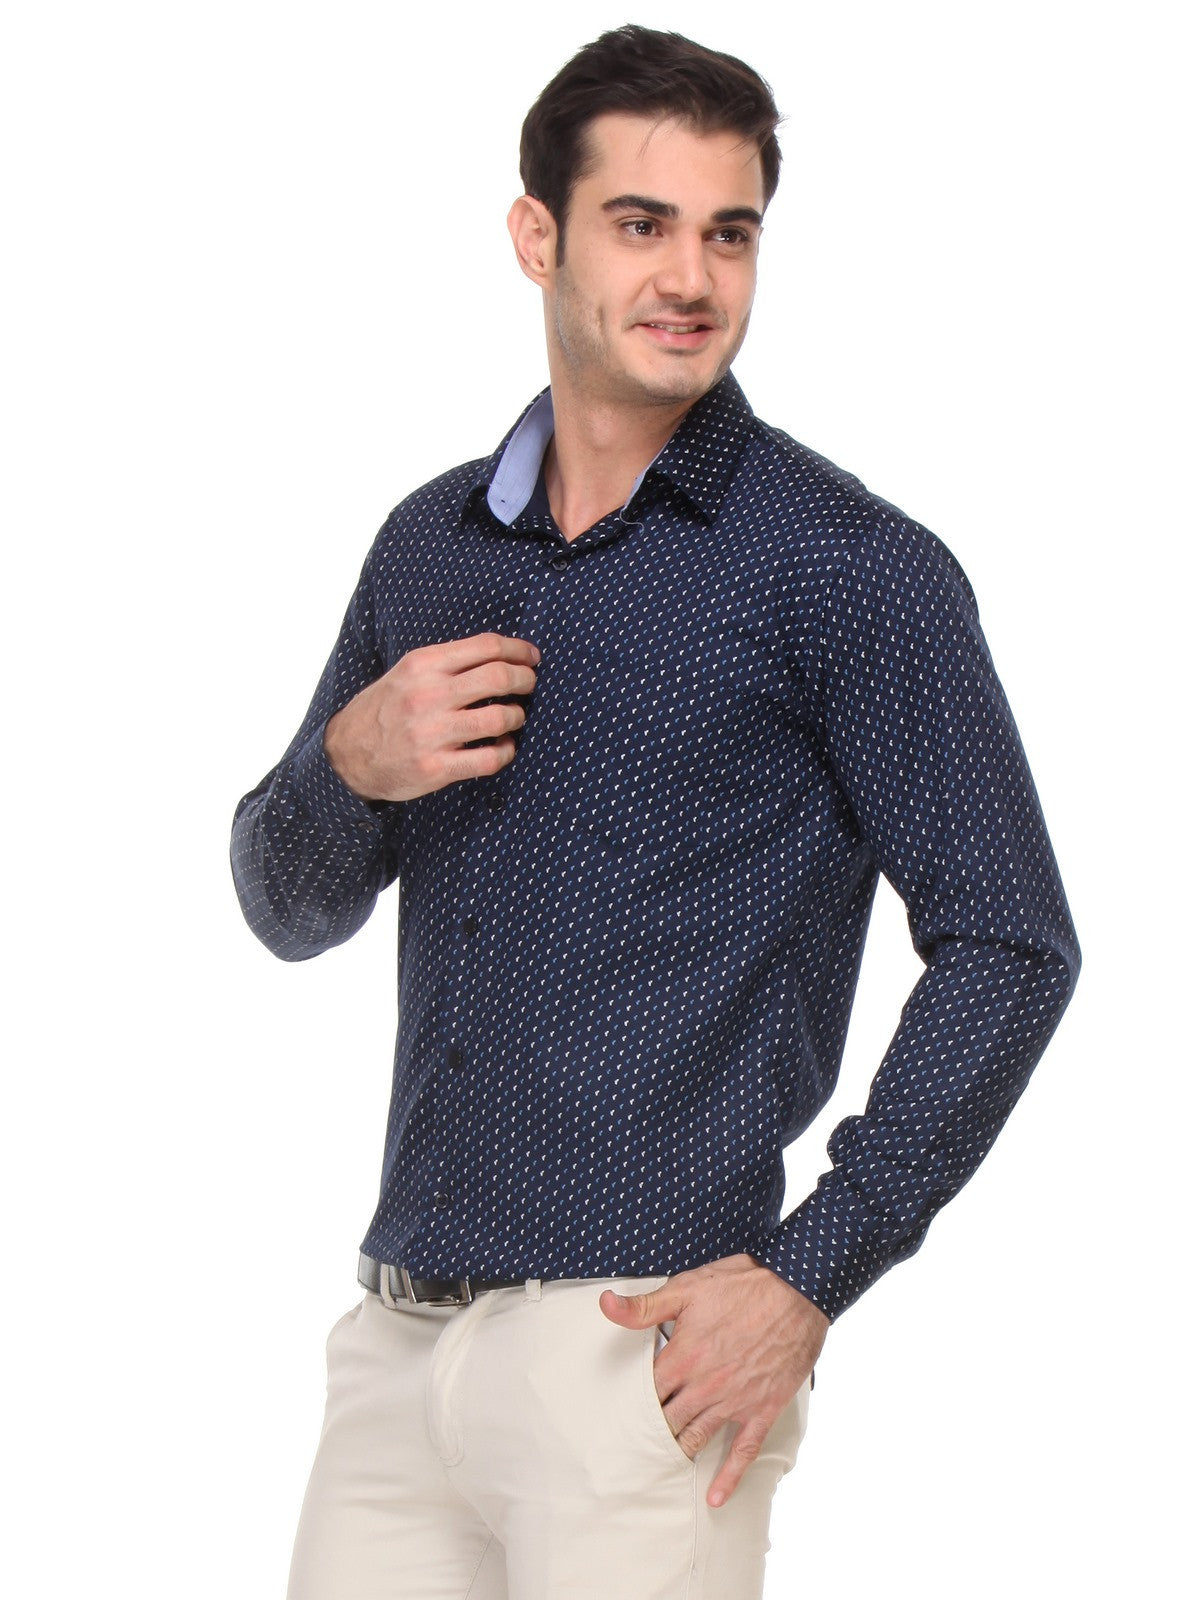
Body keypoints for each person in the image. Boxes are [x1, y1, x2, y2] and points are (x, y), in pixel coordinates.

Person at [230, 22, 1081, 1600]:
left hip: (642, 1360)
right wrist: (349, 765)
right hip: (395, 1352)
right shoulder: (427, 548)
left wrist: (811, 1274)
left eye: (729, 232)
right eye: (641, 223)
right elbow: (286, 910)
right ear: (536, 237)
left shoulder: (847, 569)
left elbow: (1012, 941)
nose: (691, 276)